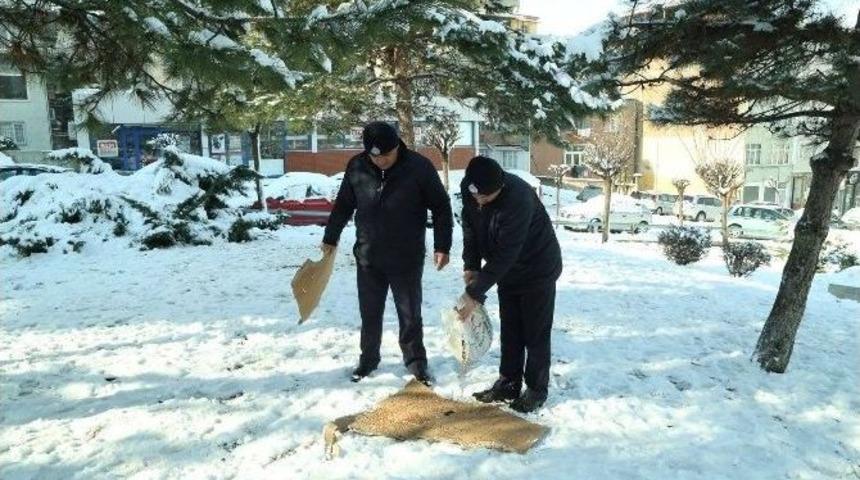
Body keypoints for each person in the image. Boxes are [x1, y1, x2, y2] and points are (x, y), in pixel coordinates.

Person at [322, 121, 453, 385]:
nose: (381, 160)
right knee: (370, 313)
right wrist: (330, 237)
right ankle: (368, 360)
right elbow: (344, 204)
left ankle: (416, 363)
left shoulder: (418, 167)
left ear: (397, 147)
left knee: (410, 314)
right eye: (375, 156)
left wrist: (442, 246)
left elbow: (441, 206)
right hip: (368, 255)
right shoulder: (357, 166)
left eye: (387, 155)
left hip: (406, 256)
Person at [456, 156, 562, 413]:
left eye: (485, 197)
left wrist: (473, 294)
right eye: (476, 195)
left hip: (537, 268)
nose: (479, 201)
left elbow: (507, 252)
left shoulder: (519, 199)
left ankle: (536, 389)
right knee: (511, 329)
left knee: (534, 333)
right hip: (506, 272)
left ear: (500, 187)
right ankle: (508, 383)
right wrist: (471, 265)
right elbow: (470, 228)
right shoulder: (471, 188)